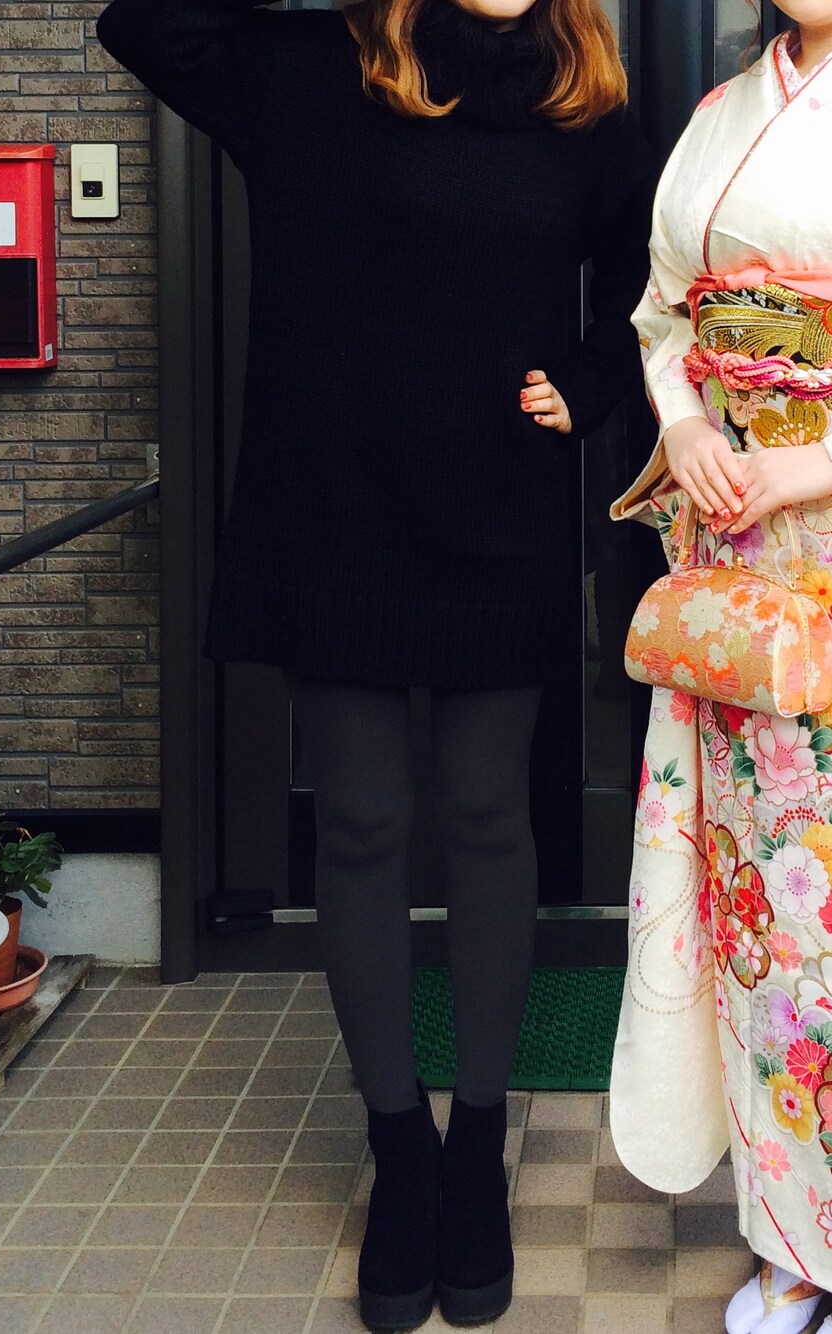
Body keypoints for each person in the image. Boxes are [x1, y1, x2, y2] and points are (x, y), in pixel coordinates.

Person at [98, 0, 651, 1326]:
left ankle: (476, 1146)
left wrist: (586, 386)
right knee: (359, 823)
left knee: (486, 817)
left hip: (494, 512)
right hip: (332, 512)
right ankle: (399, 1144)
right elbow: (141, 23)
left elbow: (656, 282)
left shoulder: (584, 107)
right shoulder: (314, 67)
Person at [611, 7, 832, 1334]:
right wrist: (690, 425)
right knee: (759, 904)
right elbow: (662, 314)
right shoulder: (719, 114)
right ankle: (792, 1237)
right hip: (741, 563)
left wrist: (804, 464)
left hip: (818, 523)